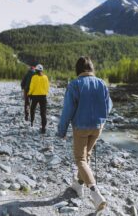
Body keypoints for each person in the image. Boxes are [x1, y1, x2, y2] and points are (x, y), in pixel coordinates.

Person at [56, 56, 113, 212]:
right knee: (86, 155)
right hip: (98, 127)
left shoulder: (74, 85)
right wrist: (102, 120)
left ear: (78, 69)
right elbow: (109, 106)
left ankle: (95, 193)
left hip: (81, 127)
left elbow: (68, 110)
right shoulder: (102, 83)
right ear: (91, 68)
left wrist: (61, 131)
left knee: (80, 158)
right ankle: (78, 185)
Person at [28, 64, 49, 134]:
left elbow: (32, 87)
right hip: (43, 96)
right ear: (42, 70)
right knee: (43, 113)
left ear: (36, 70)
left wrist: (29, 93)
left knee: (32, 109)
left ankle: (32, 122)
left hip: (35, 96)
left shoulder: (34, 77)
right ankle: (44, 128)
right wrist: (45, 92)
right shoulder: (45, 77)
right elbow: (47, 87)